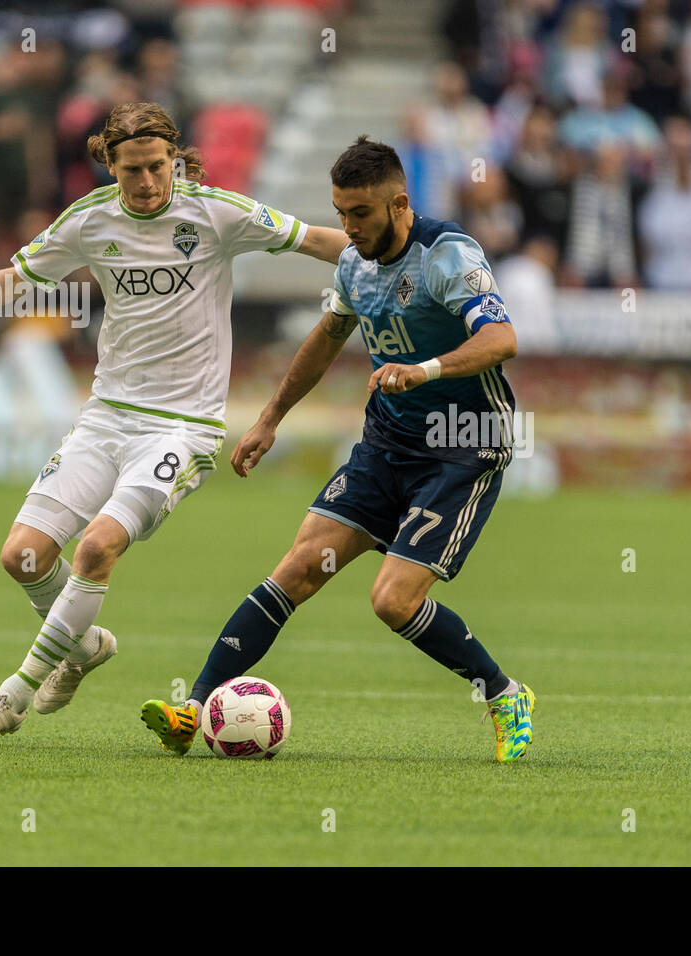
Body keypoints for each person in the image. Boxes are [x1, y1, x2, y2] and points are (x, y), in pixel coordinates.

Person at [0, 102, 349, 740]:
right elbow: (14, 279)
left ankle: (12, 696)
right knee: (23, 557)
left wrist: (385, 255)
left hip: (181, 428)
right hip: (106, 417)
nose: (148, 182)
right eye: (132, 170)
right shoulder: (89, 220)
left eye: (158, 167)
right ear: (110, 166)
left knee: (98, 547)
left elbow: (315, 239)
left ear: (173, 159)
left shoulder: (217, 212)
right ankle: (81, 647)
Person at [141, 136, 535, 762]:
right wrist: (270, 418)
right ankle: (194, 709)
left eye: (360, 214)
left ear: (399, 204)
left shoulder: (448, 255)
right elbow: (327, 337)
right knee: (297, 567)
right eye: (340, 213)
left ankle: (506, 694)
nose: (347, 229)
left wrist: (424, 369)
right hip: (386, 442)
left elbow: (503, 339)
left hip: (463, 445)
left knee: (392, 601)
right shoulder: (354, 263)